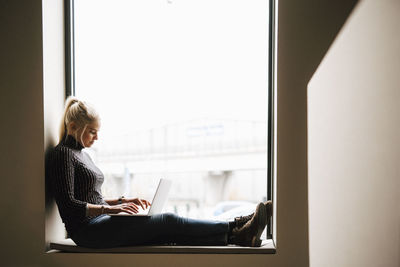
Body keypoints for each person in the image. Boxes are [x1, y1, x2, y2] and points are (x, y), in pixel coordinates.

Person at [46, 96, 272, 248]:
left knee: (165, 232)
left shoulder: (83, 155)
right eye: (92, 132)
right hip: (86, 232)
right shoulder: (63, 154)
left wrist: (121, 202)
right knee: (168, 220)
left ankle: (236, 237)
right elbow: (69, 205)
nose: (96, 137)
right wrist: (109, 209)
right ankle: (235, 225)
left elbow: (89, 197)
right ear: (74, 127)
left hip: (100, 221)